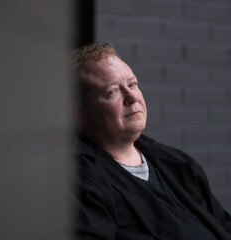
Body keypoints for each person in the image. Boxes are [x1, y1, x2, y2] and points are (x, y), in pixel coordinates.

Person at [72, 43, 231, 239]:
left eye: (132, 85)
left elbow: (223, 226)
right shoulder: (79, 182)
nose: (132, 97)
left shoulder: (179, 164)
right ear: (80, 114)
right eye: (112, 91)